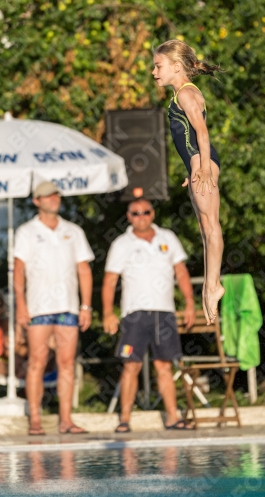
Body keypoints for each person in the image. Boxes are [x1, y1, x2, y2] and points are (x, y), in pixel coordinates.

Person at [102, 197, 195, 433]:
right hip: (134, 313)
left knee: (164, 366)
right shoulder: (122, 243)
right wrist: (107, 313)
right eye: (135, 213)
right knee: (131, 365)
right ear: (128, 216)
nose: (141, 217)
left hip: (164, 311)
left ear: (152, 214)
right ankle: (124, 418)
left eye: (145, 212)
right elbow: (110, 280)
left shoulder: (168, 238)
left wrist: (190, 303)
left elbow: (181, 272)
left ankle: (173, 417)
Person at [152, 39, 224, 325]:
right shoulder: (180, 94)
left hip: (201, 164)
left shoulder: (186, 94)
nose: (154, 72)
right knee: (205, 229)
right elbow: (190, 140)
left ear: (176, 66)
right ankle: (210, 284)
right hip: (196, 164)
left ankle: (212, 285)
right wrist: (193, 167)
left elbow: (202, 133)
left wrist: (203, 167)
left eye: (158, 66)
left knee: (211, 226)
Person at [13, 181, 95, 436]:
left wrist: (86, 306)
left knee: (67, 363)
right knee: (36, 361)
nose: (53, 198)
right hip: (38, 308)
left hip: (68, 307)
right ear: (37, 201)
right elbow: (18, 271)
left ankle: (65, 420)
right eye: (47, 196)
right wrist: (21, 306)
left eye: (56, 194)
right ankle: (35, 420)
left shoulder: (73, 231)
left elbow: (84, 269)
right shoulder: (26, 231)